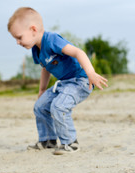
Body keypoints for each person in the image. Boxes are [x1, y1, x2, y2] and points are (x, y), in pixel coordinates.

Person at [7, 7, 108, 155]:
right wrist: (42, 90)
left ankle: (70, 143)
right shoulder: (36, 50)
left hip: (81, 80)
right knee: (40, 106)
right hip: (64, 84)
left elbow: (78, 52)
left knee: (59, 106)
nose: (17, 42)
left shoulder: (52, 40)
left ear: (33, 29)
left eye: (19, 37)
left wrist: (90, 73)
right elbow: (45, 68)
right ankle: (48, 140)